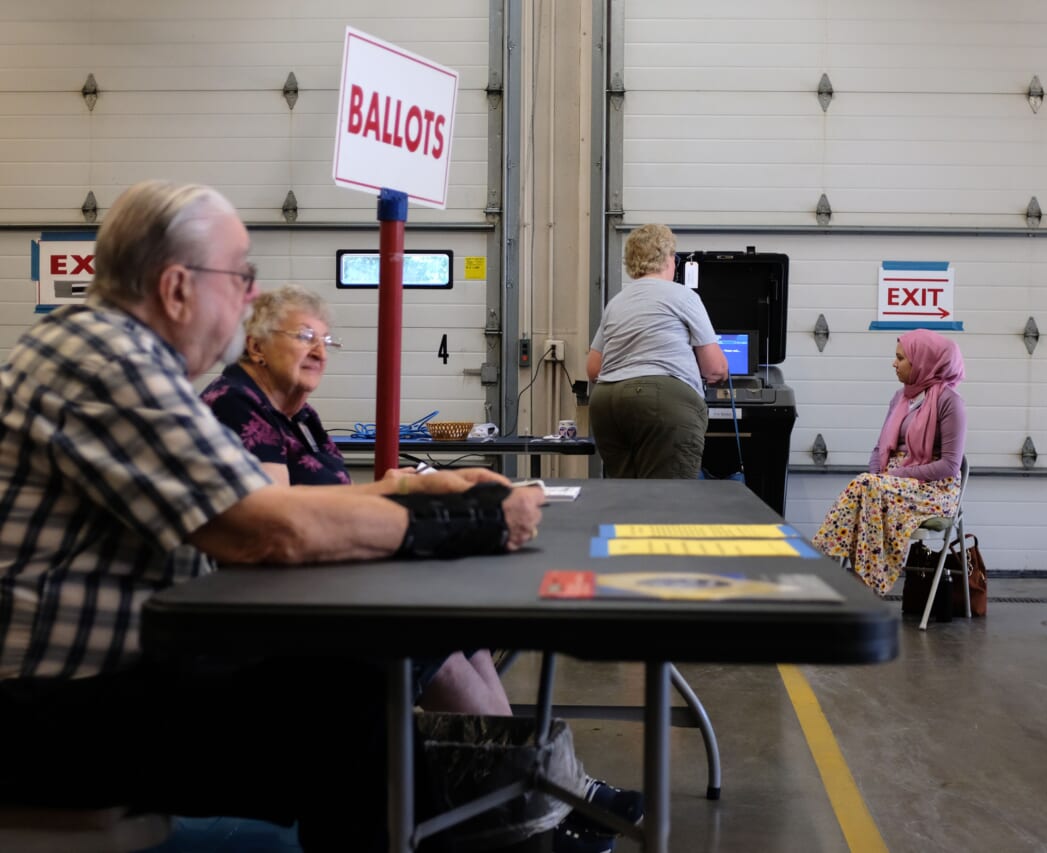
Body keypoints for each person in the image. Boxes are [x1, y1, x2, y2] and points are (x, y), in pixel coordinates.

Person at [0, 180, 622, 853]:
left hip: (90, 689)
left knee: (354, 687)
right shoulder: (110, 362)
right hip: (48, 714)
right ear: (177, 286)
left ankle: (481, 825)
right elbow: (266, 527)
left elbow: (275, 502)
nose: (247, 297)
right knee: (347, 708)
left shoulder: (119, 356)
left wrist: (422, 493)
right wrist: (473, 523)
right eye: (239, 276)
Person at [200, 283, 514, 715]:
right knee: (425, 639)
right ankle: (520, 769)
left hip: (332, 583)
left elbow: (335, 497)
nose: (320, 351)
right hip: (274, 610)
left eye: (326, 341)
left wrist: (403, 487)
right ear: (255, 346)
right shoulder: (236, 406)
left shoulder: (300, 416)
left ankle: (522, 760)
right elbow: (277, 523)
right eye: (305, 337)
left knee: (458, 627)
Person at [811, 329, 967, 596]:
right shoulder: (901, 397)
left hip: (933, 489)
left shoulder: (950, 402)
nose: (894, 363)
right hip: (890, 485)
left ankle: (830, 569)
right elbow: (879, 447)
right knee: (867, 488)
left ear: (923, 361)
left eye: (901, 358)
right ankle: (860, 584)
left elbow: (951, 465)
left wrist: (896, 475)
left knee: (866, 488)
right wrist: (880, 476)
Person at [586, 223, 728, 478]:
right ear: (668, 259)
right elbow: (714, 368)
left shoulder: (616, 302)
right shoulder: (683, 296)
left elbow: (593, 369)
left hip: (607, 404)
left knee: (628, 498)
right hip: (662, 400)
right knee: (667, 502)